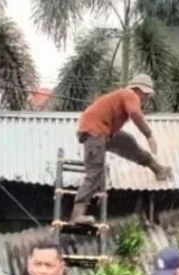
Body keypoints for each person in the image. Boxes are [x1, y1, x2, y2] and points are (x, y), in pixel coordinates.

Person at [71, 74, 172, 224]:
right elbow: (134, 113)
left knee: (128, 143)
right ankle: (77, 215)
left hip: (105, 131)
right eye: (146, 95)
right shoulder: (130, 94)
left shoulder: (122, 96)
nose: (146, 99)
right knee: (95, 172)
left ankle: (158, 169)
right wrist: (149, 135)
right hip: (95, 132)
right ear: (139, 90)